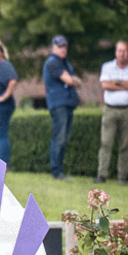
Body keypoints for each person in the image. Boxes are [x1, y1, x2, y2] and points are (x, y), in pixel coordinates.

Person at [96, 40, 128, 184]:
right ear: (115, 52)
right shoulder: (107, 67)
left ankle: (122, 176)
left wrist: (116, 82)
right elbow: (105, 85)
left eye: (124, 51)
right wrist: (126, 85)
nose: (121, 54)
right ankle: (102, 175)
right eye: (119, 51)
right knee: (106, 143)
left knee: (125, 144)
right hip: (110, 109)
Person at [42, 35, 82, 180]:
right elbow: (71, 80)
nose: (63, 49)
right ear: (53, 47)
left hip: (66, 104)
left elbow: (76, 80)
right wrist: (72, 80)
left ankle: (59, 171)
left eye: (64, 46)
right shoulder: (53, 62)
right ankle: (56, 172)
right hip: (59, 105)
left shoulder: (64, 62)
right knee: (59, 138)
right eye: (60, 46)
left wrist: (73, 80)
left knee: (64, 138)